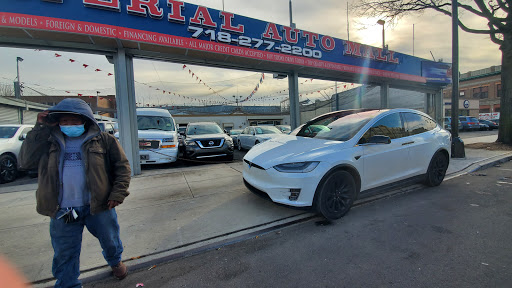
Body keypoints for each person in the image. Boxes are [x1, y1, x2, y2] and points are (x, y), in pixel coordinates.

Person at [19, 98, 131, 288]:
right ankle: (68, 284)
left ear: (85, 121)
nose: (69, 125)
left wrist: (117, 193)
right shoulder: (48, 141)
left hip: (98, 206)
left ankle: (115, 261)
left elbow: (122, 168)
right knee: (65, 251)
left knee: (110, 240)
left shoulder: (104, 140)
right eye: (65, 121)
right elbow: (25, 161)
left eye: (74, 121)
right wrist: (40, 128)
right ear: (58, 122)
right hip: (65, 210)